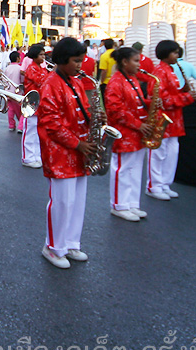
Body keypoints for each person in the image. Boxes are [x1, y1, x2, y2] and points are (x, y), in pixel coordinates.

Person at [37, 37, 97, 269]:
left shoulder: (76, 81)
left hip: (79, 149)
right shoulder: (51, 83)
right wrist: (77, 143)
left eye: (81, 60)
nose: (80, 65)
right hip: (61, 151)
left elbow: (83, 110)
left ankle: (71, 243)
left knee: (78, 201)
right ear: (62, 60)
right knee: (62, 201)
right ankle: (53, 247)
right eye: (76, 61)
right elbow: (51, 122)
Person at [105, 46, 153, 222]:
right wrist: (138, 124)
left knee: (135, 169)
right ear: (124, 62)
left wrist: (151, 102)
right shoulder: (116, 82)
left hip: (137, 132)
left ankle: (132, 203)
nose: (139, 64)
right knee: (123, 169)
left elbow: (137, 102)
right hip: (124, 132)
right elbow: (115, 110)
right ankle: (119, 205)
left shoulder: (132, 79)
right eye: (136, 61)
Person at [147, 40, 195, 201]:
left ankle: (165, 183)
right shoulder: (159, 72)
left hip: (174, 119)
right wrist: (186, 97)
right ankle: (154, 185)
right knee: (159, 153)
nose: (177, 56)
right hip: (163, 118)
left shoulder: (170, 70)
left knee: (172, 152)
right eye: (174, 53)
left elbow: (171, 93)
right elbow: (161, 98)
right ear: (166, 54)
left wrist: (183, 90)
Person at [21, 45, 47, 168]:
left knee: (38, 132)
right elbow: (41, 81)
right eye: (41, 54)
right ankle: (27, 157)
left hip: (40, 103)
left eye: (44, 54)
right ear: (35, 55)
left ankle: (36, 156)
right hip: (31, 104)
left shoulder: (42, 68)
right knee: (30, 131)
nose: (44, 57)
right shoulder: (31, 68)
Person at [2, 51, 23, 131]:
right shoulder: (19, 68)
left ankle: (11, 125)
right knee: (20, 111)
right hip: (17, 92)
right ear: (18, 58)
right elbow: (22, 80)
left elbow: (4, 80)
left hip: (8, 91)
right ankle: (20, 126)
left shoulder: (7, 68)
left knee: (10, 110)